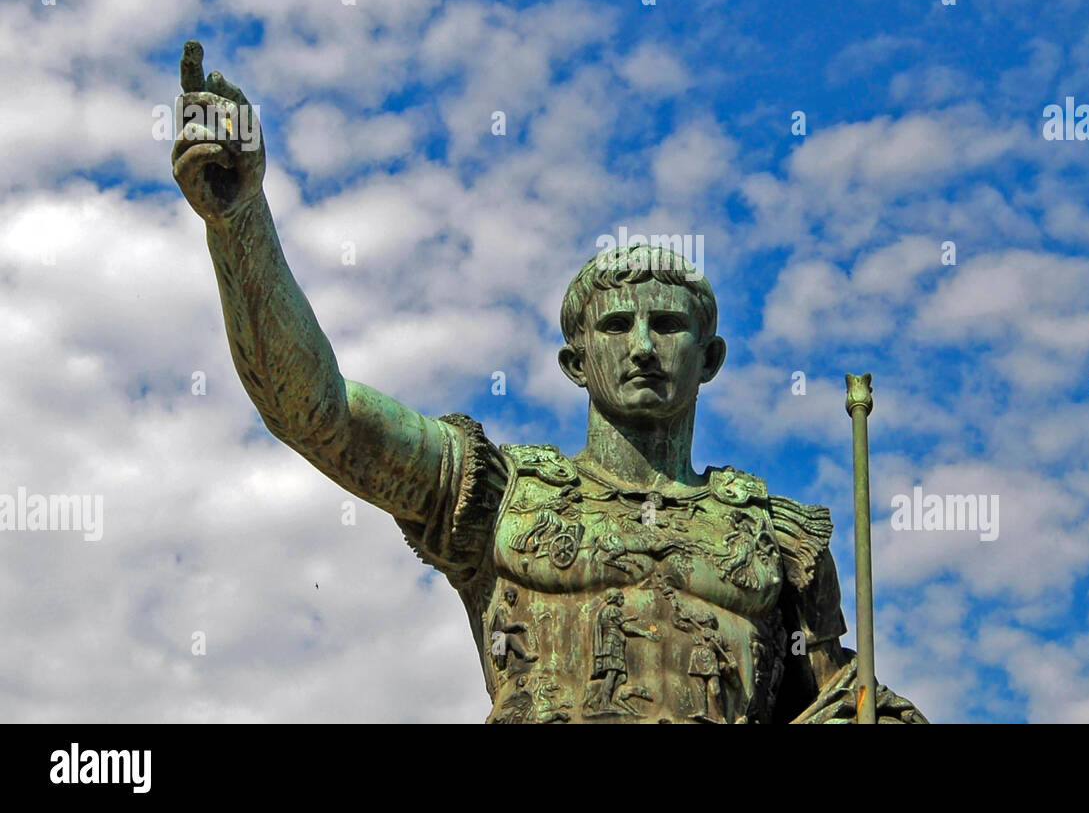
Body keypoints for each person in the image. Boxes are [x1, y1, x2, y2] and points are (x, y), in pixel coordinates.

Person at [171, 43, 927, 724]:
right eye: (615, 327)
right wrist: (239, 219)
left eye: (666, 327)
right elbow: (318, 413)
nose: (641, 348)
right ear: (575, 363)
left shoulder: (776, 535)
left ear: (711, 358)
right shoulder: (497, 493)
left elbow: (838, 701)